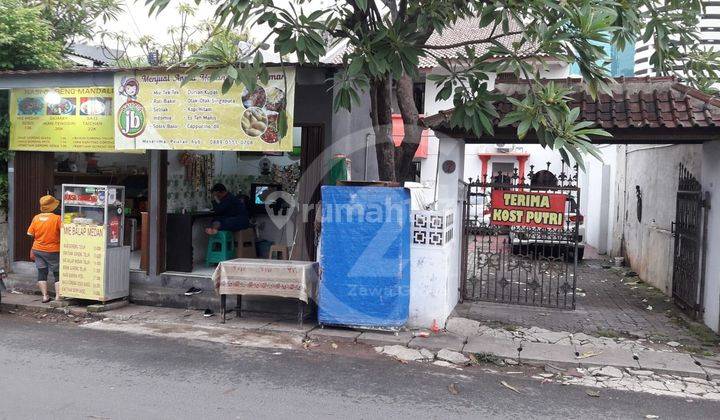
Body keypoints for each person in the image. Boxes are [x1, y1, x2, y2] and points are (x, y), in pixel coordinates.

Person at [27, 195, 62, 303]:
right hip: (53, 250)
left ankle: (45, 296)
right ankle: (57, 298)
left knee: (42, 272)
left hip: (38, 249)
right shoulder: (57, 218)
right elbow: (65, 233)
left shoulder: (36, 218)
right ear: (53, 206)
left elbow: (30, 234)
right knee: (57, 273)